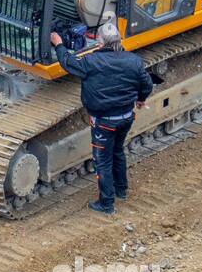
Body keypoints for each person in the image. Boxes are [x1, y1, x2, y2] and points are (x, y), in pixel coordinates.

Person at [49, 20, 154, 214]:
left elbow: (67, 63)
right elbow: (147, 84)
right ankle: (121, 191)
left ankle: (106, 204)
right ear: (118, 40)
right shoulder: (134, 61)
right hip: (126, 117)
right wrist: (140, 99)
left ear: (99, 43)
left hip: (104, 123)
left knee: (103, 161)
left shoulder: (91, 62)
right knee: (118, 152)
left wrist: (59, 44)